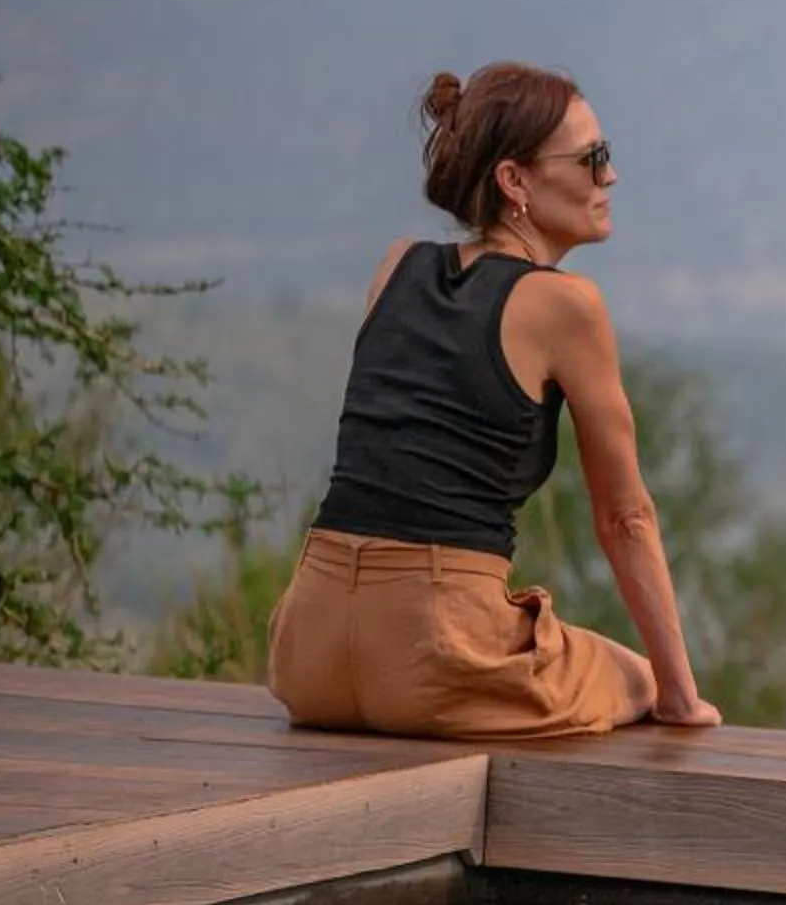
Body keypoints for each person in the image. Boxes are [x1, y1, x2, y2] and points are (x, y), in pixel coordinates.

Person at [265, 62, 722, 736]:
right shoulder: (567, 305)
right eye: (594, 158)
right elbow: (625, 518)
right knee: (636, 678)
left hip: (308, 655)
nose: (610, 176)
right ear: (516, 182)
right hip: (441, 652)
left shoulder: (397, 266)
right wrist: (681, 699)